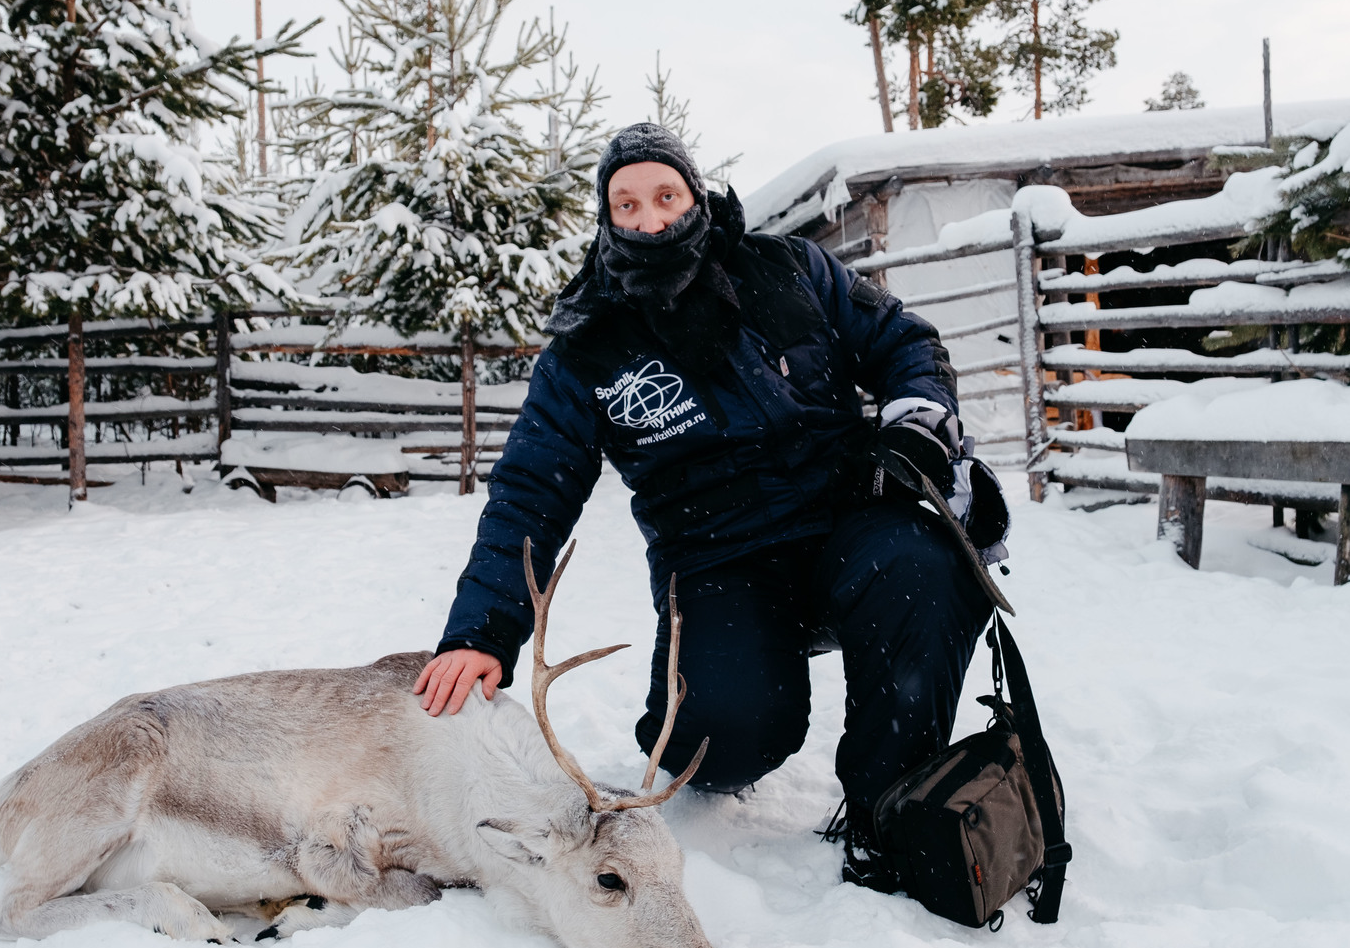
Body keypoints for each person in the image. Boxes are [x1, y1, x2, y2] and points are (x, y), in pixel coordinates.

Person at [412, 122, 1005, 885]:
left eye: (665, 195)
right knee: (728, 733)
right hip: (717, 557)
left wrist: (917, 421)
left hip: (849, 522)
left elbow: (904, 341)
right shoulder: (588, 343)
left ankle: (888, 810)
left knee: (925, 570)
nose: (649, 219)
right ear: (606, 217)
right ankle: (706, 712)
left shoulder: (786, 268)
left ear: (695, 196)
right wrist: (482, 632)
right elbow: (531, 490)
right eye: (626, 204)